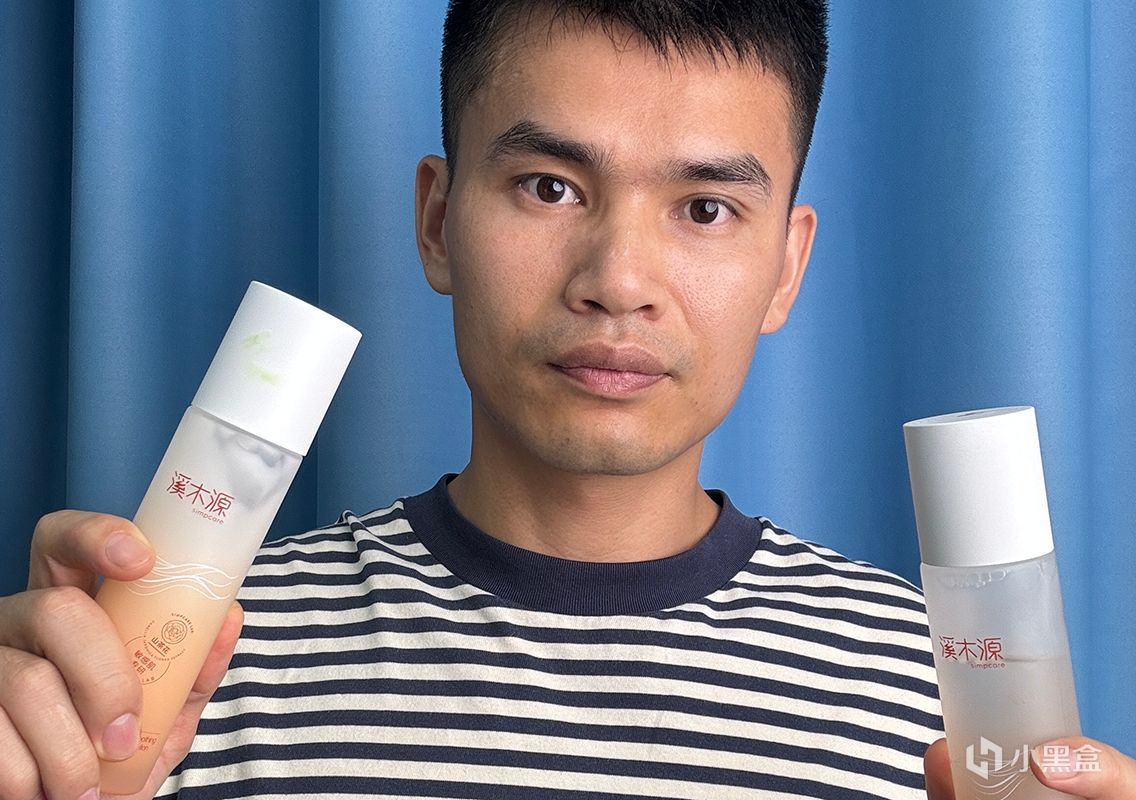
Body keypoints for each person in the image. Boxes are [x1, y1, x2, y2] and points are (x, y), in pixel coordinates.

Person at [2, 1, 1133, 798]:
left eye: (704, 209)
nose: (617, 281)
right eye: (549, 186)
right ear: (438, 221)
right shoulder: (190, 662)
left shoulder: (940, 690)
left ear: (786, 267)